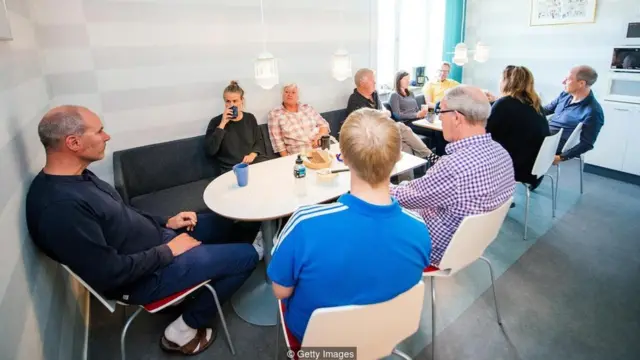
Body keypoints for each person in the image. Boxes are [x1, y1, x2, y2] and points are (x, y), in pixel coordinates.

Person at [26, 106, 264, 356]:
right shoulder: (60, 208)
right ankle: (182, 330)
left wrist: (166, 222)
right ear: (73, 142)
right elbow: (109, 273)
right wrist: (168, 251)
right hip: (145, 276)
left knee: (230, 220)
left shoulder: (80, 177)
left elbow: (123, 213)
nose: (106, 137)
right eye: (99, 132)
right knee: (247, 256)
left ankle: (207, 278)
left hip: (159, 242)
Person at [267, 108, 431, 343]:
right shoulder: (419, 228)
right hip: (386, 337)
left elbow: (280, 291)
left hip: (322, 349)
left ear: (342, 155)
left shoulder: (304, 224)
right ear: (398, 156)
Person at [390, 86, 515, 266]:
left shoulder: (455, 166)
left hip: (437, 250)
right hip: (473, 244)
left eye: (442, 111)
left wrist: (379, 185)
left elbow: (406, 199)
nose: (439, 117)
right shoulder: (502, 153)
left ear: (457, 117)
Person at [346, 68, 434, 159]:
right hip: (370, 134)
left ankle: (411, 171)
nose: (375, 82)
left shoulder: (374, 94)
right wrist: (381, 115)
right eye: (372, 80)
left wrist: (381, 114)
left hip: (382, 128)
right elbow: (364, 122)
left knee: (404, 146)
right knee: (401, 126)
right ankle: (429, 155)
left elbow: (384, 111)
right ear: (362, 82)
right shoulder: (354, 100)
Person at [486, 65, 550, 189]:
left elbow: (486, 134)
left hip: (514, 167)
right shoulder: (535, 104)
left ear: (507, 82)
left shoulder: (504, 104)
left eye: (502, 79)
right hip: (534, 165)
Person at [543, 65, 605, 166]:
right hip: (541, 136)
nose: (563, 82)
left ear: (581, 83)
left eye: (567, 79)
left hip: (549, 147)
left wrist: (561, 157)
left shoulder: (593, 111)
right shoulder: (565, 95)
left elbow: (587, 144)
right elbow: (546, 110)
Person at [204, 81, 268, 175]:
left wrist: (253, 154)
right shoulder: (216, 122)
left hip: (253, 163)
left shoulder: (250, 118)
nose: (231, 105)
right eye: (228, 101)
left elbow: (259, 141)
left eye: (235, 101)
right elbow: (210, 151)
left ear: (242, 100)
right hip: (231, 168)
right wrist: (222, 124)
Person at [267, 83, 331, 157]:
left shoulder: (307, 108)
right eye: (286, 92)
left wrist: (320, 136)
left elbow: (324, 125)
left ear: (298, 96)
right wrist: (287, 160)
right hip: (299, 155)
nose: (289, 94)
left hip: (321, 148)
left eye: (293, 92)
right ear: (282, 95)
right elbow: (278, 143)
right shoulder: (275, 113)